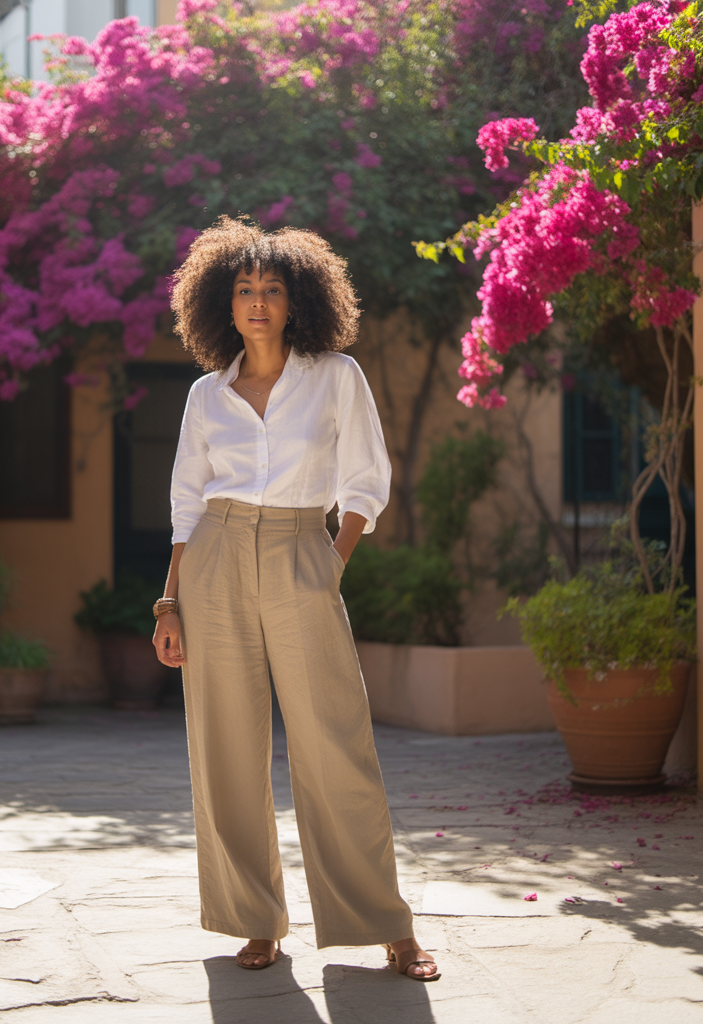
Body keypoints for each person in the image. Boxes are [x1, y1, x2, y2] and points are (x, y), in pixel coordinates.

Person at [151, 216, 439, 981]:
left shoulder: (335, 376)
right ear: (222, 302)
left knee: (336, 743)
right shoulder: (207, 396)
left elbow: (364, 481)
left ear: (295, 300)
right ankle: (254, 921)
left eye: (270, 290)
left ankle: (387, 925)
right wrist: (168, 604)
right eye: (243, 290)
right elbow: (185, 502)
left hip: (298, 550)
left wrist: (330, 561)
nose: (256, 303)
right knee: (225, 749)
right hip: (213, 558)